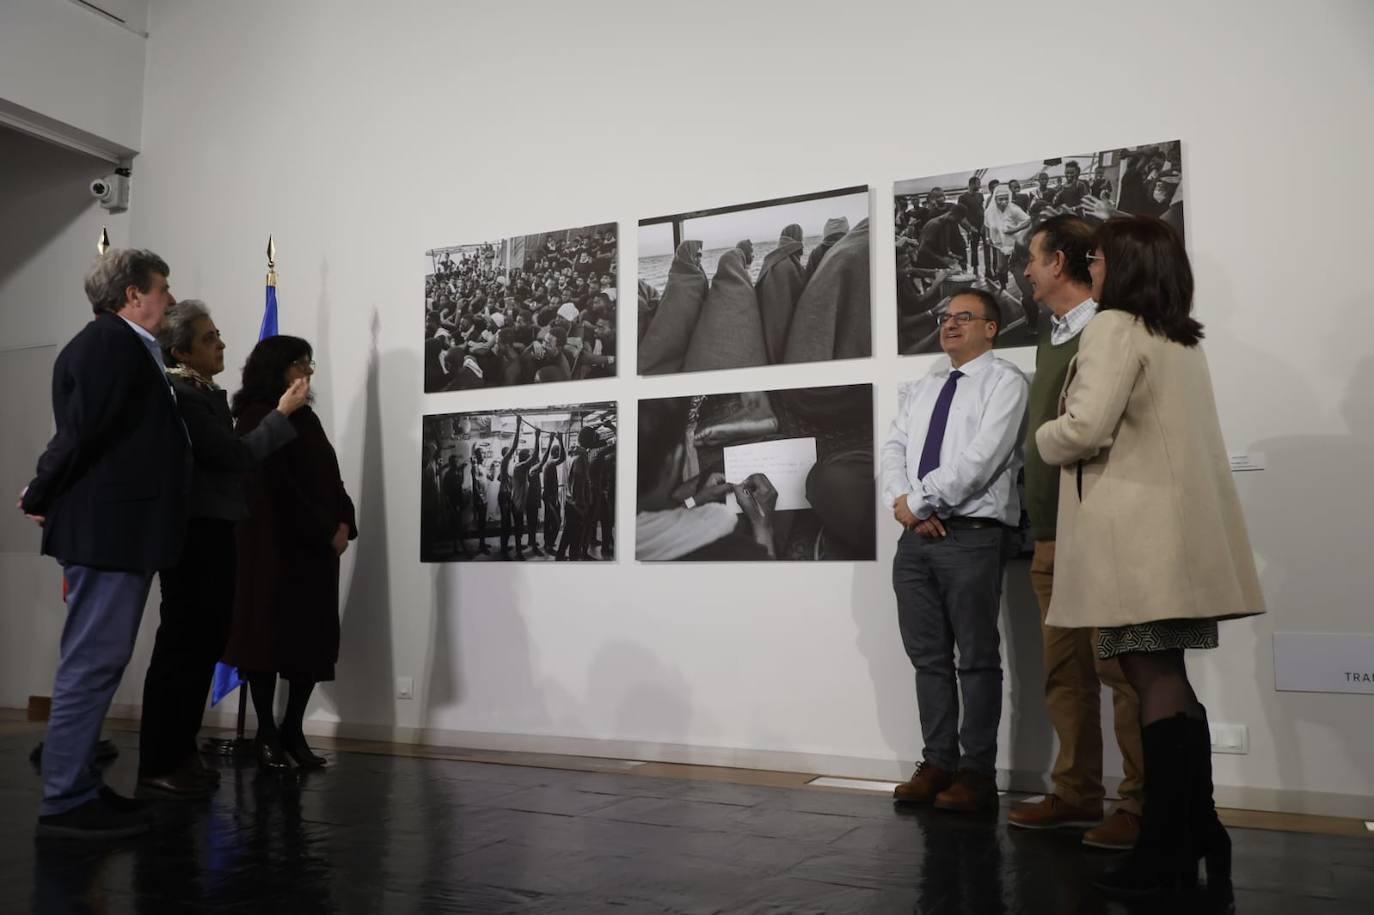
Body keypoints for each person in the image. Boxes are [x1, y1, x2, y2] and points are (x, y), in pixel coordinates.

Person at [1036, 217, 1264, 907]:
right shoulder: (1177, 335)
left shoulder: (1113, 328)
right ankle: (1199, 832)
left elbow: (1083, 427)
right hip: (1175, 546)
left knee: (1151, 678)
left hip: (1133, 546)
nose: (1092, 269)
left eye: (1098, 259)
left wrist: (1044, 433)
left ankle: (1165, 848)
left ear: (1125, 265)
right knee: (1171, 681)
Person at [19, 248, 189, 839]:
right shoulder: (107, 346)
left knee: (99, 662)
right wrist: (41, 493)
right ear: (131, 296)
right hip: (109, 530)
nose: (170, 299)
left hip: (121, 530)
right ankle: (66, 800)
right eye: (162, 289)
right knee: (91, 665)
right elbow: (80, 433)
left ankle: (80, 788)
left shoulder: (126, 347)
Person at [1006, 215, 1145, 850]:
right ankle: (1075, 793)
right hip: (1051, 535)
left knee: (1122, 671)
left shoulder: (1111, 330)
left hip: (1100, 530)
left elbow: (1092, 431)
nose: (1027, 270)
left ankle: (1140, 806)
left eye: (1033, 259)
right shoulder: (1051, 331)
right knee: (1064, 671)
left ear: (1058, 263)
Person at [137, 300, 308, 799]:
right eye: (210, 338)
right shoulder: (185, 396)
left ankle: (181, 753)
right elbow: (233, 455)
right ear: (180, 350)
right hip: (195, 532)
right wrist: (280, 414)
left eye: (218, 334)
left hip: (216, 526)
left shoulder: (204, 393)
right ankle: (160, 759)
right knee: (183, 649)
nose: (222, 345)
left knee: (205, 645)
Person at [881, 288, 1028, 814]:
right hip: (916, 539)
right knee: (928, 659)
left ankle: (976, 772)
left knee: (978, 661)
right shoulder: (927, 384)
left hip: (971, 535)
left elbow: (983, 459)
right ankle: (937, 761)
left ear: (992, 328)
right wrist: (906, 505)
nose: (950, 324)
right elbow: (894, 447)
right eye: (945, 317)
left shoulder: (1005, 382)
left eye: (964, 317)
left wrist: (920, 503)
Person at [222, 336, 357, 770]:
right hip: (274, 550)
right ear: (276, 368)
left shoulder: (306, 417)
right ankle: (266, 733)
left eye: (309, 363)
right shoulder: (257, 418)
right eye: (300, 363)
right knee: (266, 641)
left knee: (308, 646)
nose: (308, 371)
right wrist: (324, 530)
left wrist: (344, 522)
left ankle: (293, 731)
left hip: (313, 552)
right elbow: (275, 490)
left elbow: (328, 476)